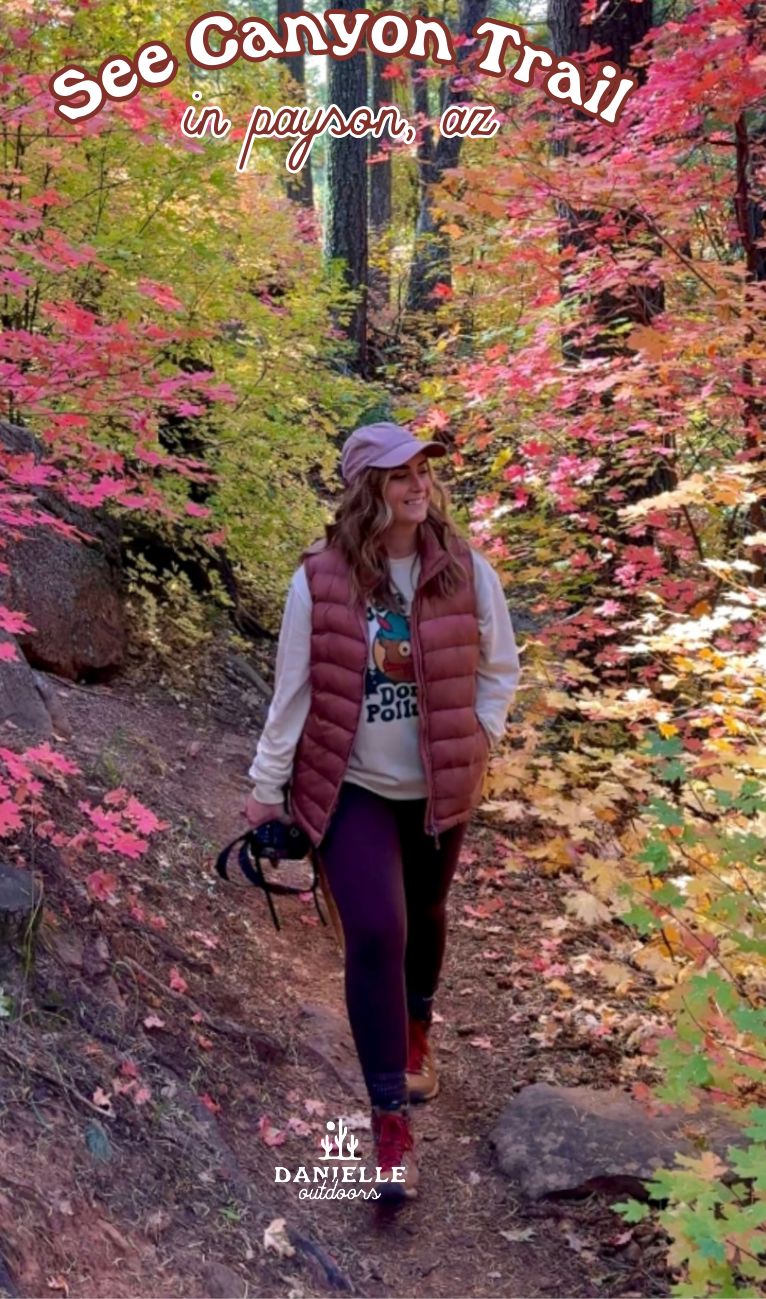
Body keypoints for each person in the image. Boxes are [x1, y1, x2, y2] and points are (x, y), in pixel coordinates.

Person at [244, 422, 520, 1200]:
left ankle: (417, 1031)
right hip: (351, 785)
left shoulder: (463, 570)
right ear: (368, 487)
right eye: (400, 474)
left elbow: (501, 667)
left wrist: (481, 733)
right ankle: (389, 1124)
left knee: (426, 913)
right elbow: (292, 690)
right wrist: (268, 782)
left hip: (440, 786)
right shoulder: (321, 580)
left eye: (422, 471)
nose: (417, 484)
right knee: (377, 930)